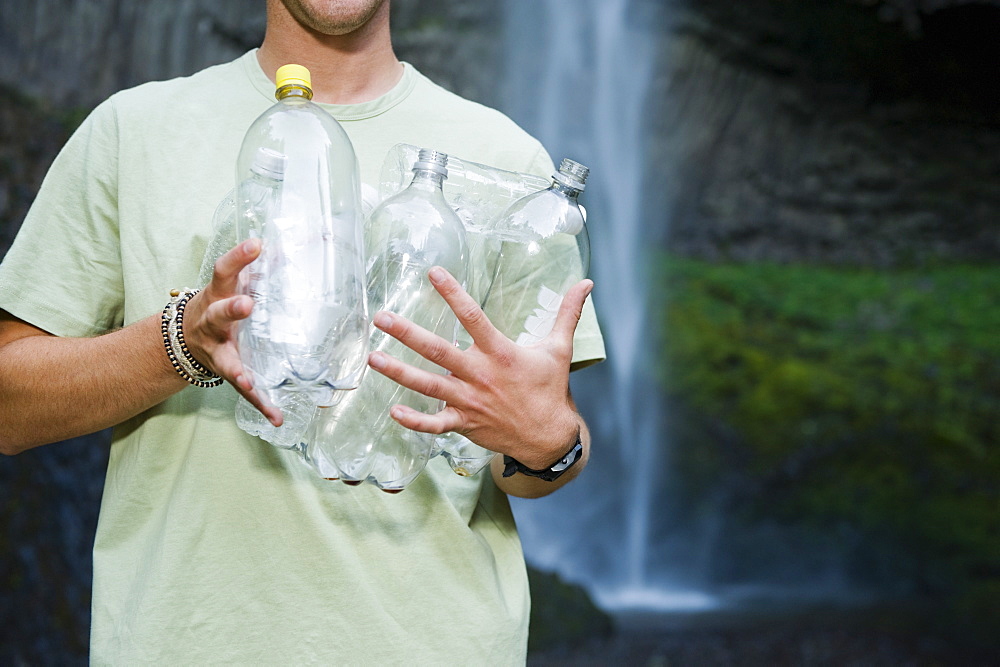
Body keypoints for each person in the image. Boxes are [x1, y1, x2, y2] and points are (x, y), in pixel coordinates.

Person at [0, 0, 604, 662]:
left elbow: (537, 453)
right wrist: (180, 343)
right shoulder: (131, 132)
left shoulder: (512, 164)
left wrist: (546, 441)